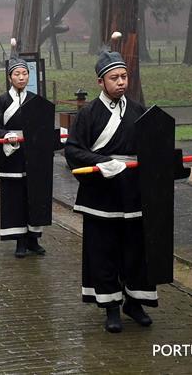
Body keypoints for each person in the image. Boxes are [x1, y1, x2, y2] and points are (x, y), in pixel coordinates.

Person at [64, 50, 155, 333]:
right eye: (114, 78)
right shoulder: (88, 114)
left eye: (124, 77)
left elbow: (152, 148)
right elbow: (73, 150)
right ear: (100, 82)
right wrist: (102, 162)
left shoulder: (139, 111)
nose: (121, 82)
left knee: (136, 250)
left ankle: (134, 301)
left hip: (133, 194)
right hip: (101, 194)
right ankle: (111, 306)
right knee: (103, 251)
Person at [0, 58, 49, 258]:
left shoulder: (35, 100)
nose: (21, 77)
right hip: (11, 155)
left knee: (34, 197)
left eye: (24, 74)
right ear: (10, 77)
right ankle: (19, 240)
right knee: (14, 199)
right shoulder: (1, 102)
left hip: (32, 157)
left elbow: (43, 127)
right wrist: (5, 136)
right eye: (17, 74)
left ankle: (33, 238)